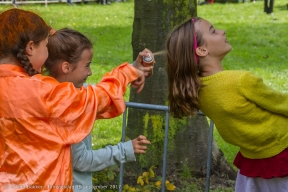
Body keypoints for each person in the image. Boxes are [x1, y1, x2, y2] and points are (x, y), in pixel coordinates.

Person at [0, 8, 153, 191]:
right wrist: (129, 72)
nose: (48, 55)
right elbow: (96, 100)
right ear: (30, 47)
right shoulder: (41, 93)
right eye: (46, 47)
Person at [165, 17, 288, 192]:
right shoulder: (241, 81)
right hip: (283, 149)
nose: (223, 32)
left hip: (252, 161)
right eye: (213, 31)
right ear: (202, 50)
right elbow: (283, 104)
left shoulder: (198, 93)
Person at [44, 28, 151, 192]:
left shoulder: (47, 92)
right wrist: (125, 150)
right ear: (66, 67)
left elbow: (104, 94)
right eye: (86, 66)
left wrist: (133, 69)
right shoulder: (67, 107)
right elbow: (81, 160)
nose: (90, 72)